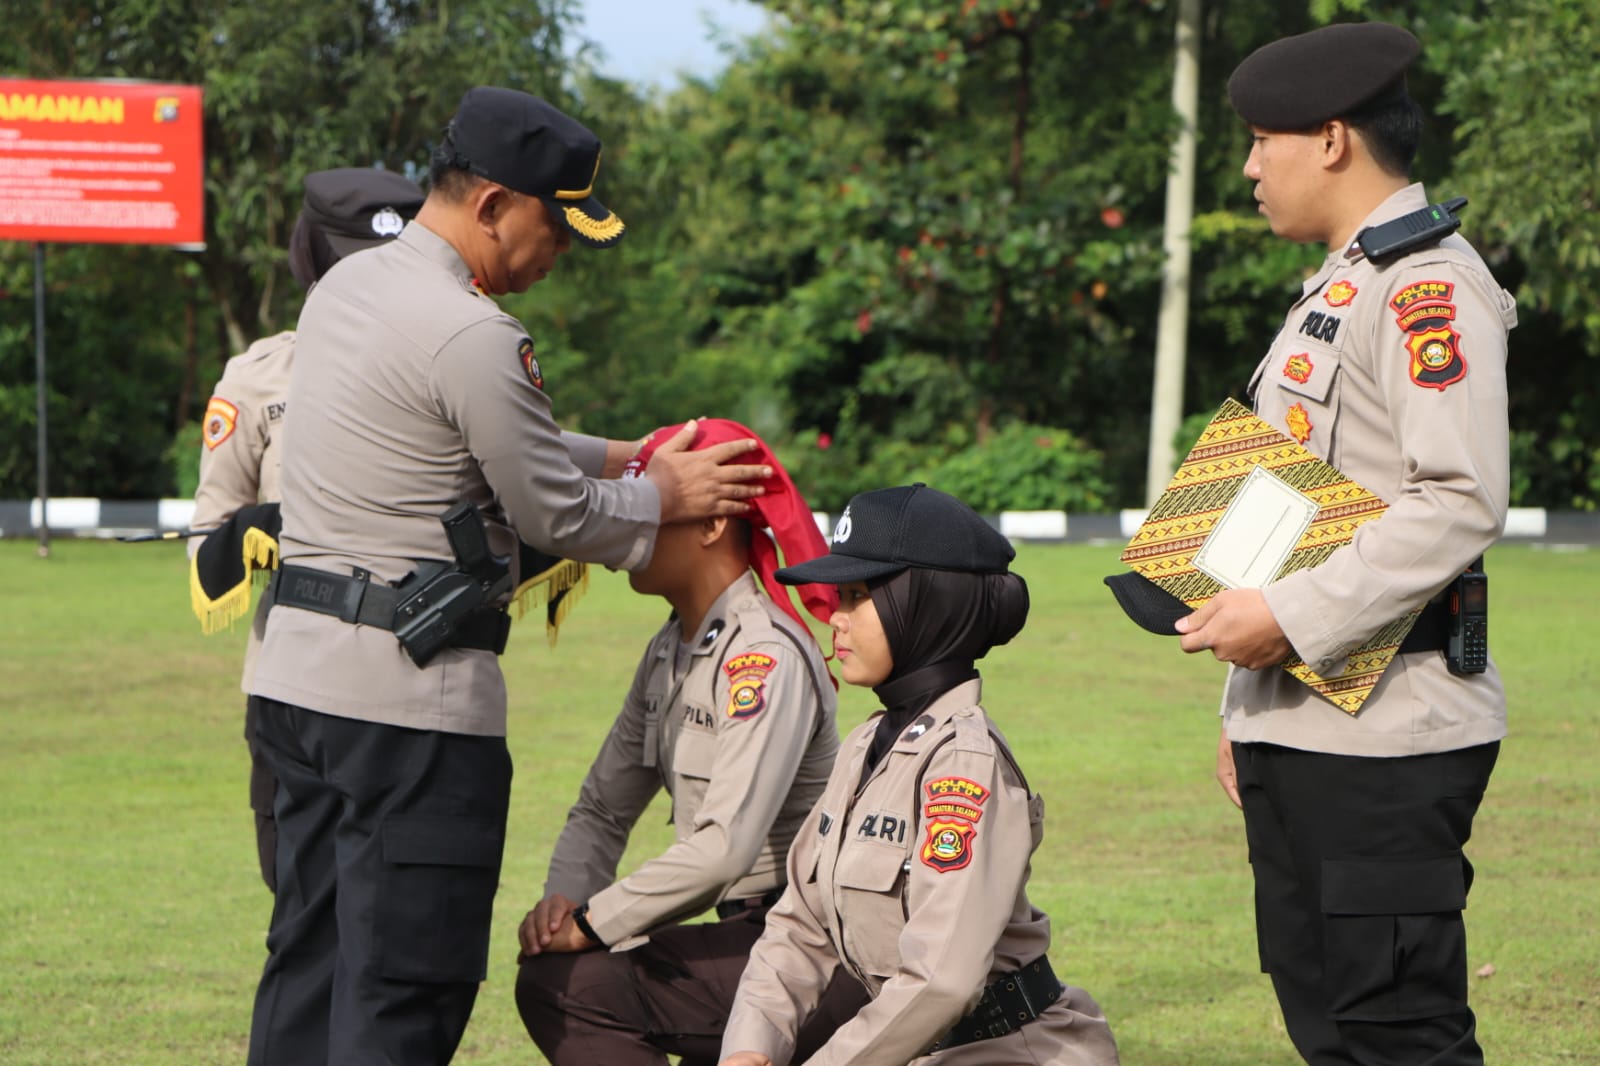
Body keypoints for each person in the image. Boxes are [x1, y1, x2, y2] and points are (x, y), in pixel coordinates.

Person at [244, 87, 771, 1066]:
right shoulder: (477, 332)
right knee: (402, 985)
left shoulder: (348, 292)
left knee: (308, 968)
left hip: (294, 693)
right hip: (407, 715)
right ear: (491, 205)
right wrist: (661, 492)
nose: (561, 252)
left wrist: (624, 455)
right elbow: (552, 518)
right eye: (554, 227)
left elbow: (473, 426)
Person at [1174, 22, 1515, 1064]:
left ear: (1329, 139)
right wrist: (1250, 708)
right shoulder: (1341, 282)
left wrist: (1283, 616)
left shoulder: (1425, 286)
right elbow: (1304, 500)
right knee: (1329, 1027)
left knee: (1394, 1034)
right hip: (1306, 723)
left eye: (1258, 140)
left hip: (1389, 731)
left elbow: (1457, 496)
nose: (1246, 167)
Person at [718, 484, 1120, 1066]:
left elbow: (942, 981)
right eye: (839, 595)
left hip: (1006, 1048)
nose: (836, 617)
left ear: (926, 605)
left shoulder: (964, 765)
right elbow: (799, 925)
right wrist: (750, 1049)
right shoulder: (865, 746)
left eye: (857, 597)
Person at [515, 418, 868, 1066]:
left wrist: (593, 925)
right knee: (564, 968)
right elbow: (603, 807)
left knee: (570, 985)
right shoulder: (671, 650)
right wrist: (566, 899)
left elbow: (724, 850)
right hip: (748, 936)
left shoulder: (761, 656)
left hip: (813, 945)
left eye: (655, 503)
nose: (623, 523)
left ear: (710, 527)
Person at [189, 166, 424, 892]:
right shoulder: (260, 378)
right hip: (297, 691)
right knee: (304, 919)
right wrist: (259, 529)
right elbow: (207, 543)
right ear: (314, 262)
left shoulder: (448, 364)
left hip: (416, 682)